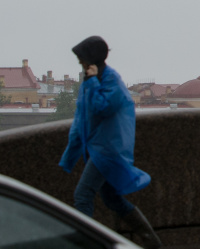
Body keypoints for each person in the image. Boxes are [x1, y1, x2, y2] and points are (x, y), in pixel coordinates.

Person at [59, 36, 161, 249]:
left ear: (92, 59)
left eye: (82, 59)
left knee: (83, 196)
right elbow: (81, 120)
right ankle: (153, 243)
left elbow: (101, 108)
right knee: (113, 200)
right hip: (97, 150)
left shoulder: (111, 80)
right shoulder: (90, 81)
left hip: (109, 151)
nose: (80, 63)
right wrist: (70, 156)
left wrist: (93, 82)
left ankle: (84, 244)